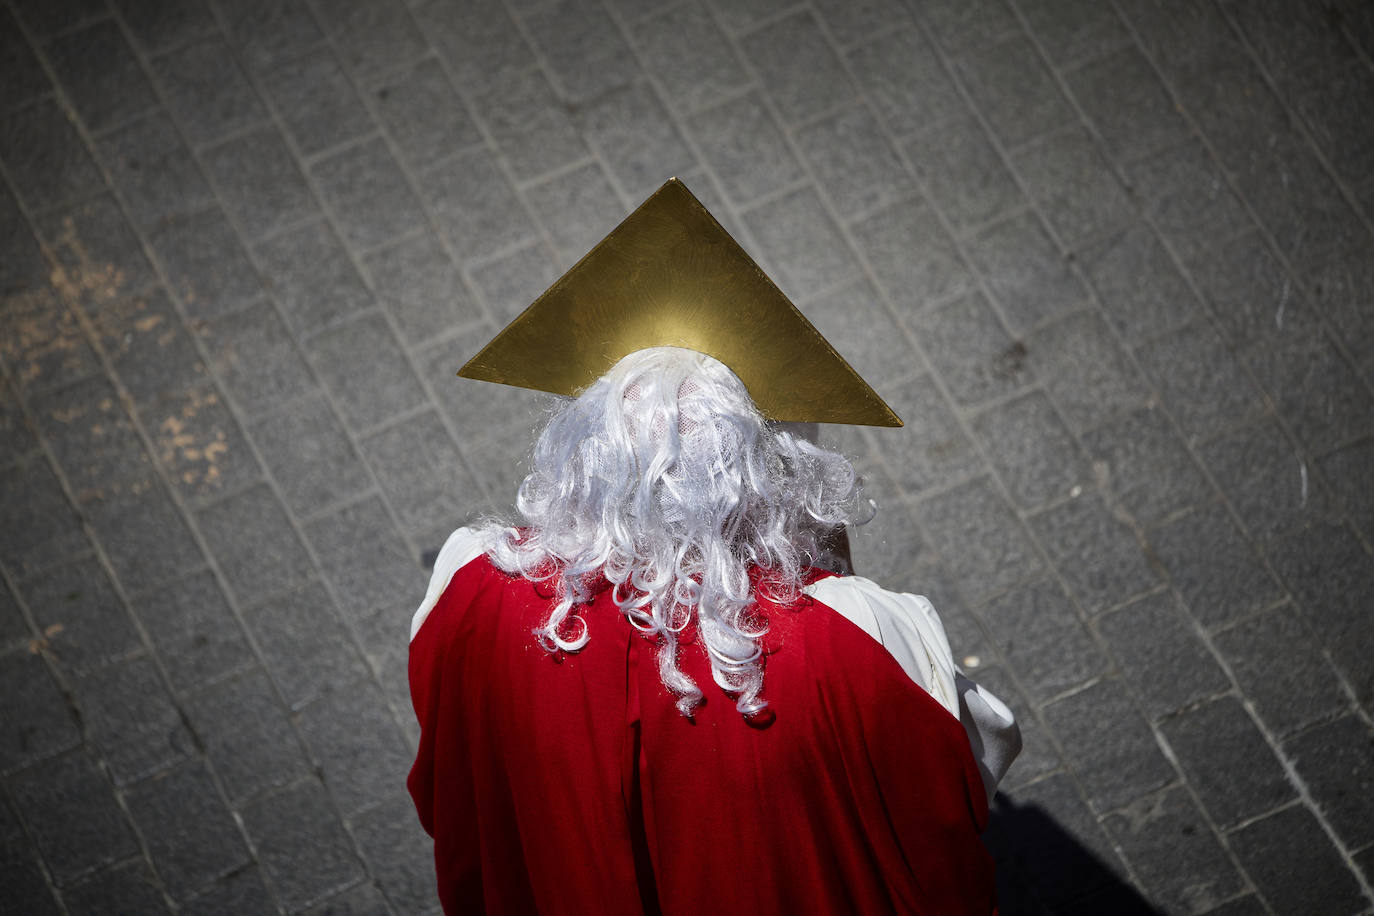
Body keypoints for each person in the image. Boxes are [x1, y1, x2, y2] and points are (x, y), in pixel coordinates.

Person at [407, 180, 1019, 915]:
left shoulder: (473, 585)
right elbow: (974, 766)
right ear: (763, 481)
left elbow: (457, 771)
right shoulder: (848, 642)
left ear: (581, 454)